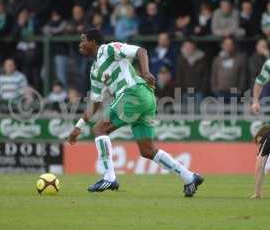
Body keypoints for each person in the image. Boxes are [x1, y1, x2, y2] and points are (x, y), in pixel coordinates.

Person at [67, 29, 203, 197]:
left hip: (133, 92)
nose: (80, 44)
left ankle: (109, 177)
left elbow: (141, 51)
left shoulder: (109, 49)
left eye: (83, 40)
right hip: (144, 98)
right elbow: (95, 102)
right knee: (147, 150)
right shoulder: (94, 71)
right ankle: (189, 177)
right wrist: (78, 127)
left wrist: (145, 71)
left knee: (99, 130)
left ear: (94, 42)